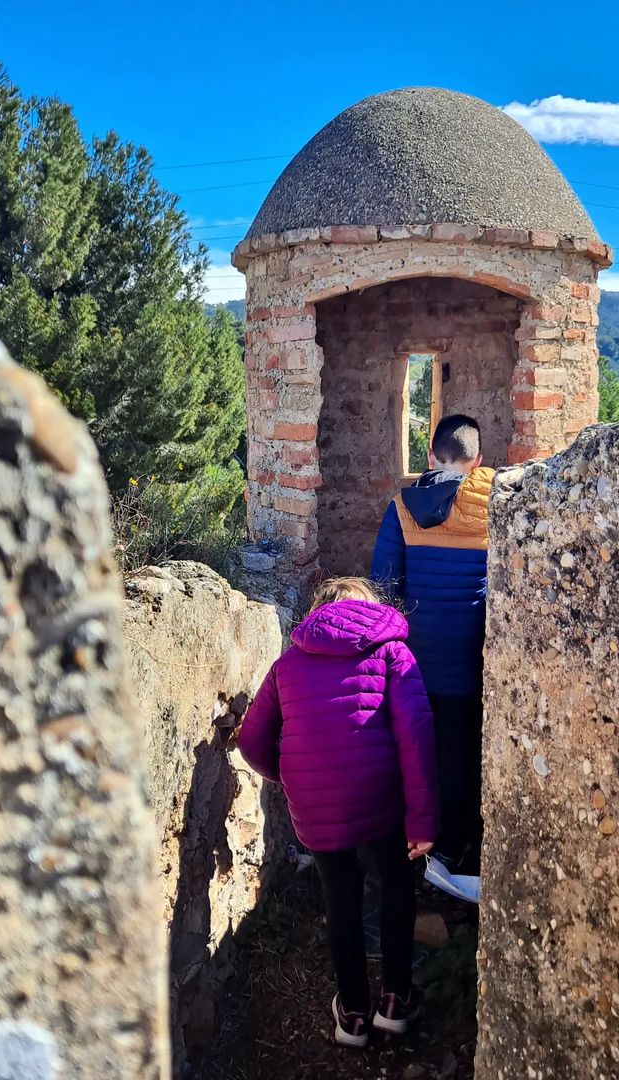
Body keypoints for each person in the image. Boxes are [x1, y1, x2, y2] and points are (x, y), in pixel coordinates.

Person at [236, 577, 438, 1049]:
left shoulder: (287, 664)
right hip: (380, 794)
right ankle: (395, 1002)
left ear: (318, 613)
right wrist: (423, 818)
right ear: (369, 610)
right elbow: (416, 736)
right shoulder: (392, 654)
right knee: (395, 884)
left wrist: (291, 777)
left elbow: (251, 741)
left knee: (341, 898)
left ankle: (352, 1016)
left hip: (316, 805)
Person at [370, 414, 492, 904]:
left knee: (414, 757)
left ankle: (411, 858)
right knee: (462, 761)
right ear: (477, 461)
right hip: (471, 665)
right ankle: (455, 854)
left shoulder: (402, 508)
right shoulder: (496, 505)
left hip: (413, 668)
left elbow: (383, 590)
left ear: (429, 456)